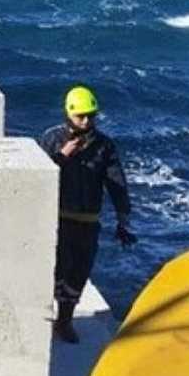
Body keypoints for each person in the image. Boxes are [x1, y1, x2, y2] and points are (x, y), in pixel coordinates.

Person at [39, 85, 134, 344]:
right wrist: (61, 156)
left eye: (91, 115)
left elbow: (116, 184)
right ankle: (43, 316)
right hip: (57, 218)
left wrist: (123, 221)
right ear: (68, 114)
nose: (87, 120)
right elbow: (39, 177)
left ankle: (65, 321)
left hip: (87, 222)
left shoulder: (104, 146)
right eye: (81, 115)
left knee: (78, 273)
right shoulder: (52, 139)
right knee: (54, 271)